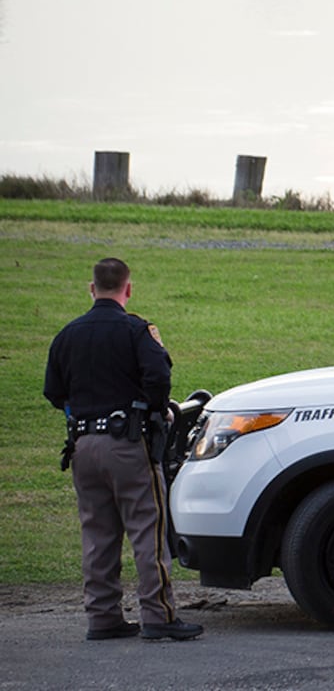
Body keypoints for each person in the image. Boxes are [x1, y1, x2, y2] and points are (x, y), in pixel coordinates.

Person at [43, 258, 204, 643]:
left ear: (91, 288)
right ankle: (158, 615)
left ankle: (102, 617)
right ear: (127, 289)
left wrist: (82, 410)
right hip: (128, 445)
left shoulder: (67, 334)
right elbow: (158, 375)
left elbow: (53, 391)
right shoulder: (136, 330)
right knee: (148, 529)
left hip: (83, 446)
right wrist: (155, 407)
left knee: (98, 534)